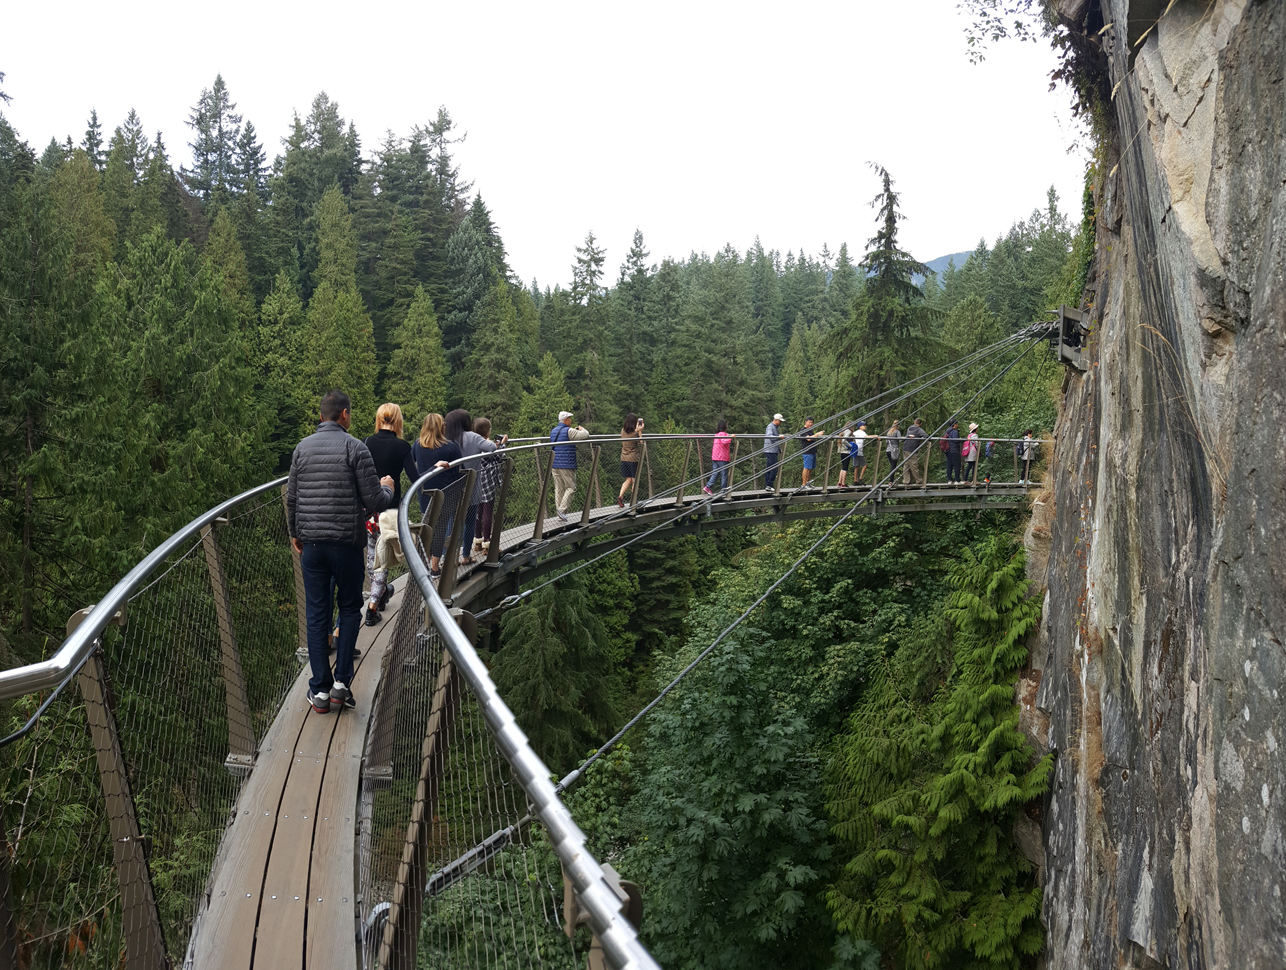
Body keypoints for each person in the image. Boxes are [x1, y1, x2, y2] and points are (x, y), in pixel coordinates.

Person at [287, 389, 394, 715]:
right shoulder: (355, 448)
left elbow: (292, 497)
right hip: (347, 545)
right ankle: (341, 685)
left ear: (321, 417)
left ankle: (318, 689)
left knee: (317, 614)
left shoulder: (302, 449)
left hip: (313, 547)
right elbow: (375, 501)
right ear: (344, 415)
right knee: (349, 609)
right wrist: (387, 487)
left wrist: (296, 534)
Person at [361, 403, 419, 626]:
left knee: (372, 556)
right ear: (397, 420)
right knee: (382, 559)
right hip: (390, 509)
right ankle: (372, 607)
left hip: (369, 509)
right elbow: (416, 477)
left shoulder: (366, 442)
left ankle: (381, 593)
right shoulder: (403, 446)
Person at [411, 413, 462, 578]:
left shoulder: (417, 446)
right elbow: (459, 471)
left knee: (427, 528)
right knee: (440, 529)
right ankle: (434, 567)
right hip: (446, 494)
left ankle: (422, 564)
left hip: (424, 494)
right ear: (441, 427)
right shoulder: (451, 447)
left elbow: (412, 463)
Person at [445, 408, 496, 566]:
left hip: (451, 487)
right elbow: (492, 448)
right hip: (471, 486)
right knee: (469, 521)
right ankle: (466, 556)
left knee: (450, 522)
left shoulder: (446, 439)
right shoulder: (473, 437)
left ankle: (449, 558)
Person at [472, 417, 508, 556]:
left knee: (477, 512)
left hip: (476, 481)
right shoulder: (487, 445)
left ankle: (477, 542)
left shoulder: (473, 443)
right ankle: (487, 544)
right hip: (487, 482)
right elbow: (497, 458)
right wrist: (502, 445)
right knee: (487, 513)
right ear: (486, 431)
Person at [550, 410, 590, 522]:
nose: (571, 420)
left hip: (555, 463)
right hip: (566, 464)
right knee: (571, 487)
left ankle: (560, 513)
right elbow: (585, 435)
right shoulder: (569, 431)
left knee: (559, 488)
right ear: (566, 420)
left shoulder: (553, 431)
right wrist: (581, 429)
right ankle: (562, 511)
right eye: (570, 418)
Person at [618, 413, 644, 507]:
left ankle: (620, 496)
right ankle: (634, 500)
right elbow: (641, 443)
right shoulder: (635, 433)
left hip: (624, 458)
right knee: (634, 480)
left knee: (628, 479)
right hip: (633, 458)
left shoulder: (622, 431)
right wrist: (640, 431)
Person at [703, 419, 735, 494]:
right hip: (722, 457)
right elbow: (724, 441)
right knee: (724, 474)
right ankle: (723, 490)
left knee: (715, 473)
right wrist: (731, 437)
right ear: (724, 426)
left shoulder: (716, 435)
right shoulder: (723, 434)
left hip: (715, 457)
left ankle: (708, 487)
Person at [903, 417, 928, 485]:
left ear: (914, 422)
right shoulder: (918, 429)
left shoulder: (909, 428)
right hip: (912, 449)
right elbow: (926, 435)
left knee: (906, 465)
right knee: (914, 465)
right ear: (920, 424)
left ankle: (906, 480)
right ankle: (918, 480)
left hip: (905, 447)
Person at [763, 413, 784, 490]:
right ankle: (769, 484)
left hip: (772, 450)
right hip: (770, 450)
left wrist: (778, 449)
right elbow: (770, 436)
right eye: (780, 421)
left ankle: (768, 485)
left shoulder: (774, 427)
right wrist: (778, 437)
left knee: (769, 467)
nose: (781, 423)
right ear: (776, 420)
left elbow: (774, 440)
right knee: (774, 468)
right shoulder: (770, 426)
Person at [799, 417, 822, 489]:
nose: (811, 424)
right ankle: (803, 484)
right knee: (806, 468)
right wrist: (817, 434)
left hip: (812, 451)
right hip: (807, 451)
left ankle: (807, 483)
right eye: (809, 422)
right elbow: (808, 439)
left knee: (811, 468)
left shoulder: (810, 430)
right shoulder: (803, 430)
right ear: (805, 422)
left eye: (812, 422)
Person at [837, 423, 855, 489]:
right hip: (846, 451)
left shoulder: (844, 431)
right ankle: (843, 483)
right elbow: (844, 440)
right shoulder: (848, 431)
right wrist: (851, 446)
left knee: (843, 467)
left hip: (842, 451)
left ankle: (839, 482)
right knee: (845, 468)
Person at [852, 419, 870, 484]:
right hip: (859, 451)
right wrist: (875, 436)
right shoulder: (862, 432)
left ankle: (855, 481)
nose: (865, 426)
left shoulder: (855, 432)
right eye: (864, 425)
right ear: (860, 426)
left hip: (855, 451)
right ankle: (860, 478)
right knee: (865, 465)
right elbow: (867, 437)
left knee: (857, 466)